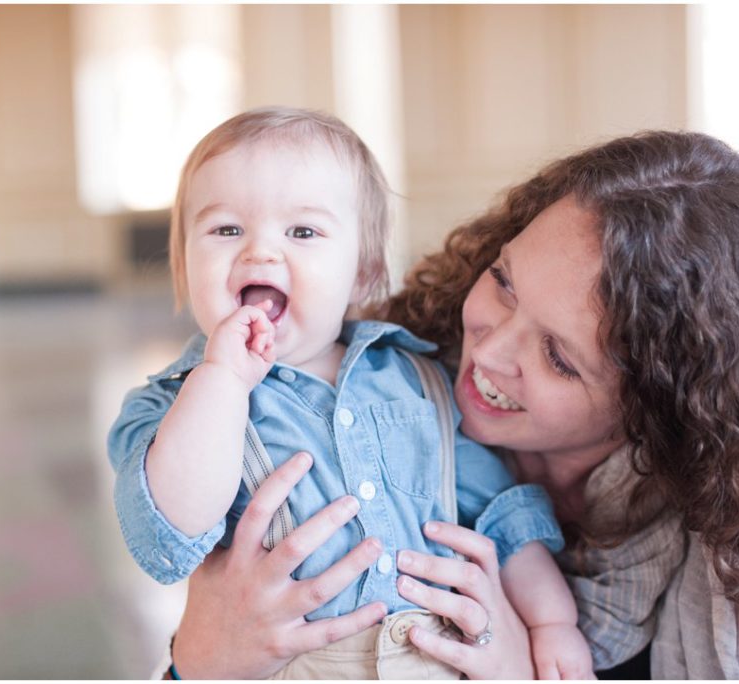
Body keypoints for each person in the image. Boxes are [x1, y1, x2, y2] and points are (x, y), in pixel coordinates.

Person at [163, 129, 739, 679]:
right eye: (503, 282)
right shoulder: (384, 386)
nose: (490, 351)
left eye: (559, 356)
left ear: (663, 405)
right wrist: (197, 656)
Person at [107, 106, 593, 679]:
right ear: (184, 266)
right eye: (226, 230)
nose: (260, 253)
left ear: (362, 273)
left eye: (303, 232)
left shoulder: (419, 381)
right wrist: (222, 381)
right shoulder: (169, 405)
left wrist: (550, 623)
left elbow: (501, 521)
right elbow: (171, 530)